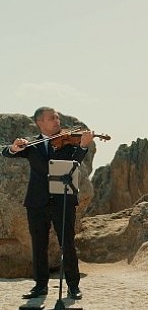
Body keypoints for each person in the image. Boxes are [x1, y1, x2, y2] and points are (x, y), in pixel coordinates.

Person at [2, 107, 95, 300]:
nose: (57, 121)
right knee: (39, 244)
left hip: (63, 200)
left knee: (67, 243)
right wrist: (14, 147)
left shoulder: (69, 142)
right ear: (40, 122)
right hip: (37, 202)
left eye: (58, 118)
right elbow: (7, 153)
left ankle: (73, 286)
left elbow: (74, 164)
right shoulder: (33, 144)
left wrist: (84, 146)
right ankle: (40, 286)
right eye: (52, 118)